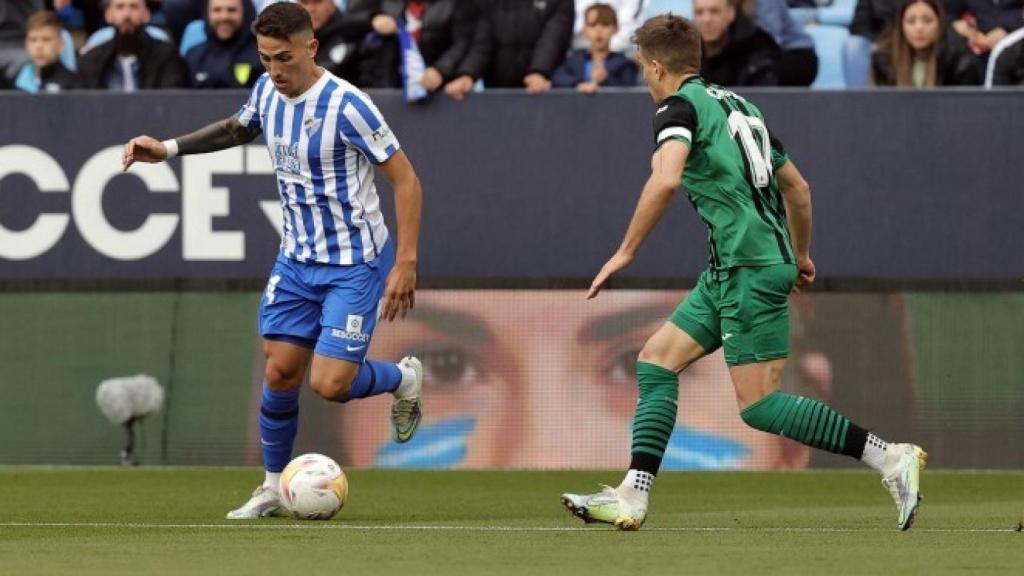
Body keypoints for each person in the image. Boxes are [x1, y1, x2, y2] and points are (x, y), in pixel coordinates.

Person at [560, 14, 927, 531]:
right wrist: (799, 255)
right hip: (739, 265)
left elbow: (665, 181)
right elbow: (798, 189)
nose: (644, 77)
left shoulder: (677, 107)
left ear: (658, 66)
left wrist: (625, 252)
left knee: (758, 407)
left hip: (746, 267)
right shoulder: (739, 106)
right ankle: (633, 494)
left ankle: (889, 456)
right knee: (656, 361)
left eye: (644, 67)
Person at [120, 1, 425, 519]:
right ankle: (269, 487)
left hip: (354, 262)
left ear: (312, 46)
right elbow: (237, 128)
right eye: (265, 59)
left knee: (329, 385)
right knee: (281, 372)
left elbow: (407, 180)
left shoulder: (349, 105)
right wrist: (167, 149)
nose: (275, 71)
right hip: (296, 259)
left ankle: (403, 380)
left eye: (284, 58)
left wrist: (407, 263)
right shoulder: (267, 90)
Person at [355, 0, 479, 92]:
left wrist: (440, 70)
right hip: (387, 90)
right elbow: (346, 22)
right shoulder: (384, 4)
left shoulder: (458, 5)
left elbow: (463, 43)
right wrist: (373, 18)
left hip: (439, 92)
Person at [77, 0, 186, 90]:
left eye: (134, 7)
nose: (127, 15)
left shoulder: (166, 56)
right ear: (108, 15)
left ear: (146, 15)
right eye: (120, 7)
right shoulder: (92, 59)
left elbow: (170, 102)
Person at [872, 0, 979, 86]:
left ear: (940, 24)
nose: (919, 28)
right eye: (911, 21)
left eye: (928, 20)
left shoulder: (960, 61)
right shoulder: (884, 59)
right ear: (901, 26)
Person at [552, 3, 638, 93]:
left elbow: (629, 88)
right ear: (584, 30)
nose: (599, 30)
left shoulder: (623, 63)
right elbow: (557, 77)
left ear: (615, 28)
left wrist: (606, 80)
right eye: (593, 25)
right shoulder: (574, 59)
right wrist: (578, 84)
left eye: (605, 25)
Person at [694, 0, 780, 86]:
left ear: (731, 13)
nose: (706, 20)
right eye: (699, 13)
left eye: (715, 11)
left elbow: (765, 96)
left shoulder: (759, 48)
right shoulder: (687, 52)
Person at [184, 0, 263, 87]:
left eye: (231, 10)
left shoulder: (263, 55)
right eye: (217, 10)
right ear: (207, 14)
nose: (224, 17)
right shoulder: (193, 56)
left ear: (246, 12)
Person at [298, 0, 376, 83]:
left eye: (318, 2)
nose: (311, 9)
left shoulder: (353, 35)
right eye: (305, 3)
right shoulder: (290, 37)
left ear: (332, 5)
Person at [15, 10, 78, 92]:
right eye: (33, 40)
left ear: (60, 45)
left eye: (46, 39)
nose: (39, 46)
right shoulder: (15, 79)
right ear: (26, 45)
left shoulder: (73, 83)